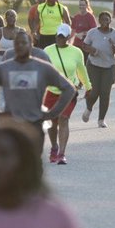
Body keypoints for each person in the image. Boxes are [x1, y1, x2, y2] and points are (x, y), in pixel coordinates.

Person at [0, 31, 75, 157]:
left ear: (31, 44)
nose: (20, 46)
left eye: (24, 43)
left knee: (32, 166)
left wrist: (53, 113)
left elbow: (68, 88)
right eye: (17, 43)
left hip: (34, 124)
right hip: (11, 124)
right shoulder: (4, 68)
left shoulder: (42, 67)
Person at [44, 25, 89, 165]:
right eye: (58, 36)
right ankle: (54, 147)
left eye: (63, 37)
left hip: (69, 92)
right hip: (52, 91)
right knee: (52, 122)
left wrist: (88, 86)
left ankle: (62, 153)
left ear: (69, 37)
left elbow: (81, 70)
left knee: (64, 118)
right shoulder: (47, 51)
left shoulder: (76, 52)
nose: (60, 39)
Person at [80, 11, 115, 128]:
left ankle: (101, 120)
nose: (105, 21)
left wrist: (113, 47)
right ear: (99, 21)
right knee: (94, 92)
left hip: (108, 67)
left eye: (107, 19)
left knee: (105, 94)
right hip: (93, 65)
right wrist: (92, 50)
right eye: (103, 19)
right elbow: (84, 45)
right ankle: (89, 109)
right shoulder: (92, 32)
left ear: (110, 21)